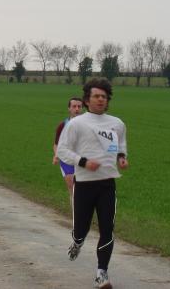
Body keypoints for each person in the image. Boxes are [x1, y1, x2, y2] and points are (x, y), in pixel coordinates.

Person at [57, 78, 129, 289]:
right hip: (84, 184)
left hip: (107, 184)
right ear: (87, 100)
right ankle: (77, 242)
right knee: (82, 228)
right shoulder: (77, 123)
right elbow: (62, 150)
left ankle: (101, 273)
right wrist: (83, 162)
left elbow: (121, 143)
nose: (100, 99)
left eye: (104, 97)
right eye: (96, 96)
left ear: (108, 100)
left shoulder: (117, 123)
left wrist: (122, 157)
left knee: (108, 229)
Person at [53, 97, 84, 196]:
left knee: (84, 189)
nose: (77, 109)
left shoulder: (87, 125)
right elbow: (56, 144)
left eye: (79, 106)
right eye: (74, 106)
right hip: (67, 160)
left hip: (84, 160)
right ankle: (75, 211)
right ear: (69, 108)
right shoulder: (62, 126)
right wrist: (56, 155)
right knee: (72, 187)